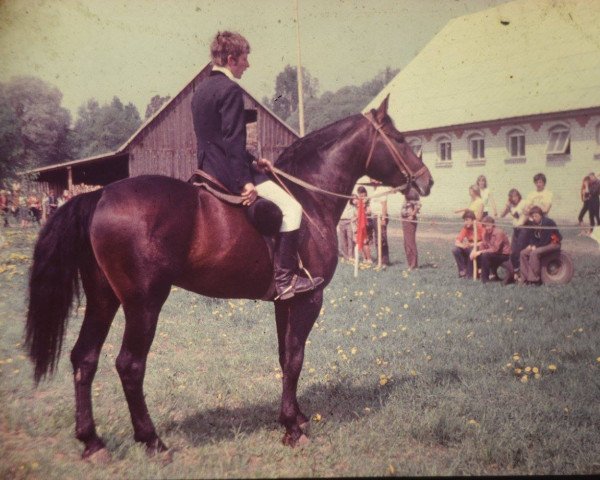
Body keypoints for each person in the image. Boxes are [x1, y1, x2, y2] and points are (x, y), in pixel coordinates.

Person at [191, 31, 322, 300]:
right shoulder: (230, 90)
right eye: (245, 59)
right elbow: (231, 142)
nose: (248, 65)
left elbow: (217, 141)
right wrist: (246, 181)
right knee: (291, 207)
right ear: (231, 59)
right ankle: (285, 280)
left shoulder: (200, 90)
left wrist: (254, 162)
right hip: (228, 173)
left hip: (206, 169)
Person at [519, 206, 562, 285]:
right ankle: (525, 278)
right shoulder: (533, 224)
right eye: (533, 216)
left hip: (553, 243)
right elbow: (532, 237)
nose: (534, 218)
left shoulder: (547, 223)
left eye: (536, 216)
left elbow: (545, 240)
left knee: (534, 253)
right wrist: (531, 245)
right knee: (523, 253)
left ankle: (534, 279)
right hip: (541, 243)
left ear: (541, 215)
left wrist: (536, 246)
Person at [469, 216, 510, 283]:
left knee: (485, 255)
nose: (487, 228)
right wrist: (474, 252)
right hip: (493, 254)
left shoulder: (499, 232)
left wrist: (480, 252)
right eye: (485, 226)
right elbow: (483, 245)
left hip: (503, 254)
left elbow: (495, 249)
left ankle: (485, 279)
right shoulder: (485, 234)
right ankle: (470, 275)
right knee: (475, 254)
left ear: (493, 225)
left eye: (488, 226)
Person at [499, 188, 527, 283]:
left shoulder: (523, 203)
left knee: (519, 251)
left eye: (515, 196)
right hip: (516, 229)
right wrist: (507, 205)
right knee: (513, 252)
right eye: (512, 197)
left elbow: (526, 215)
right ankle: (515, 272)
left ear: (519, 196)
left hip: (524, 229)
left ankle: (521, 274)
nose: (514, 198)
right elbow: (501, 215)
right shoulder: (511, 205)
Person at [452, 210, 484, 278]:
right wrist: (463, 246)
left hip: (480, 248)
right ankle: (463, 271)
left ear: (473, 220)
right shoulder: (465, 228)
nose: (465, 222)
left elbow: (485, 242)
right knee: (455, 250)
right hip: (470, 247)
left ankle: (473, 272)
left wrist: (472, 245)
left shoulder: (480, 227)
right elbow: (457, 242)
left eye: (467, 220)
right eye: (464, 220)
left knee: (471, 251)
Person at [370, 180, 390, 267]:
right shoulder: (373, 190)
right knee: (377, 239)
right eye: (371, 180)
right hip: (374, 217)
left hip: (380, 217)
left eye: (374, 179)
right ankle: (379, 259)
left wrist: (383, 218)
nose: (373, 181)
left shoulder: (382, 189)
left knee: (382, 239)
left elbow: (384, 205)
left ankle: (385, 261)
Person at [400, 189, 421, 270]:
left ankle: (414, 264)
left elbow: (417, 205)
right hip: (405, 219)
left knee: (410, 242)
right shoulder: (406, 192)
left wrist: (412, 214)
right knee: (406, 243)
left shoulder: (413, 191)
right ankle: (410, 263)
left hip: (410, 220)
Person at [354, 186, 373, 264]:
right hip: (358, 223)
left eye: (362, 193)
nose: (361, 195)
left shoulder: (368, 200)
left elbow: (369, 211)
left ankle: (369, 259)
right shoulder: (358, 201)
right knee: (360, 240)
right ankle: (364, 258)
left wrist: (363, 209)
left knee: (365, 241)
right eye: (359, 193)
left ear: (365, 193)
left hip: (366, 223)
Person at [337, 197, 355, 261]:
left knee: (350, 238)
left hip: (349, 221)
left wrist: (353, 219)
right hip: (341, 221)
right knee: (343, 240)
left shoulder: (352, 206)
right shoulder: (340, 205)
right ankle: (346, 256)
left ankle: (351, 256)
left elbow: (355, 214)